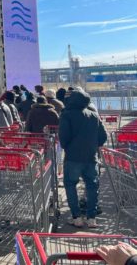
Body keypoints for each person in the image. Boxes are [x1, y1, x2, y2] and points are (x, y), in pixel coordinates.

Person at [59, 90, 107, 228]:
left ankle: (77, 217)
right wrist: (93, 145)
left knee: (70, 185)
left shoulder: (66, 115)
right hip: (91, 157)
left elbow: (63, 138)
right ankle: (91, 218)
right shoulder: (94, 115)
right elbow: (103, 137)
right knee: (92, 186)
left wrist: (69, 147)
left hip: (73, 157)